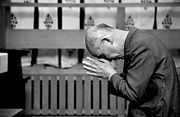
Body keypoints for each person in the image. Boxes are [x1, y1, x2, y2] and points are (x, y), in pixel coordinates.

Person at [82, 23, 180, 117]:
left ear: (107, 41)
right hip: (151, 104)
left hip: (160, 110)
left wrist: (111, 75)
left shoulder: (141, 46)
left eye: (102, 55)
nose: (108, 60)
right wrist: (110, 75)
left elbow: (133, 93)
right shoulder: (134, 41)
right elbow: (134, 82)